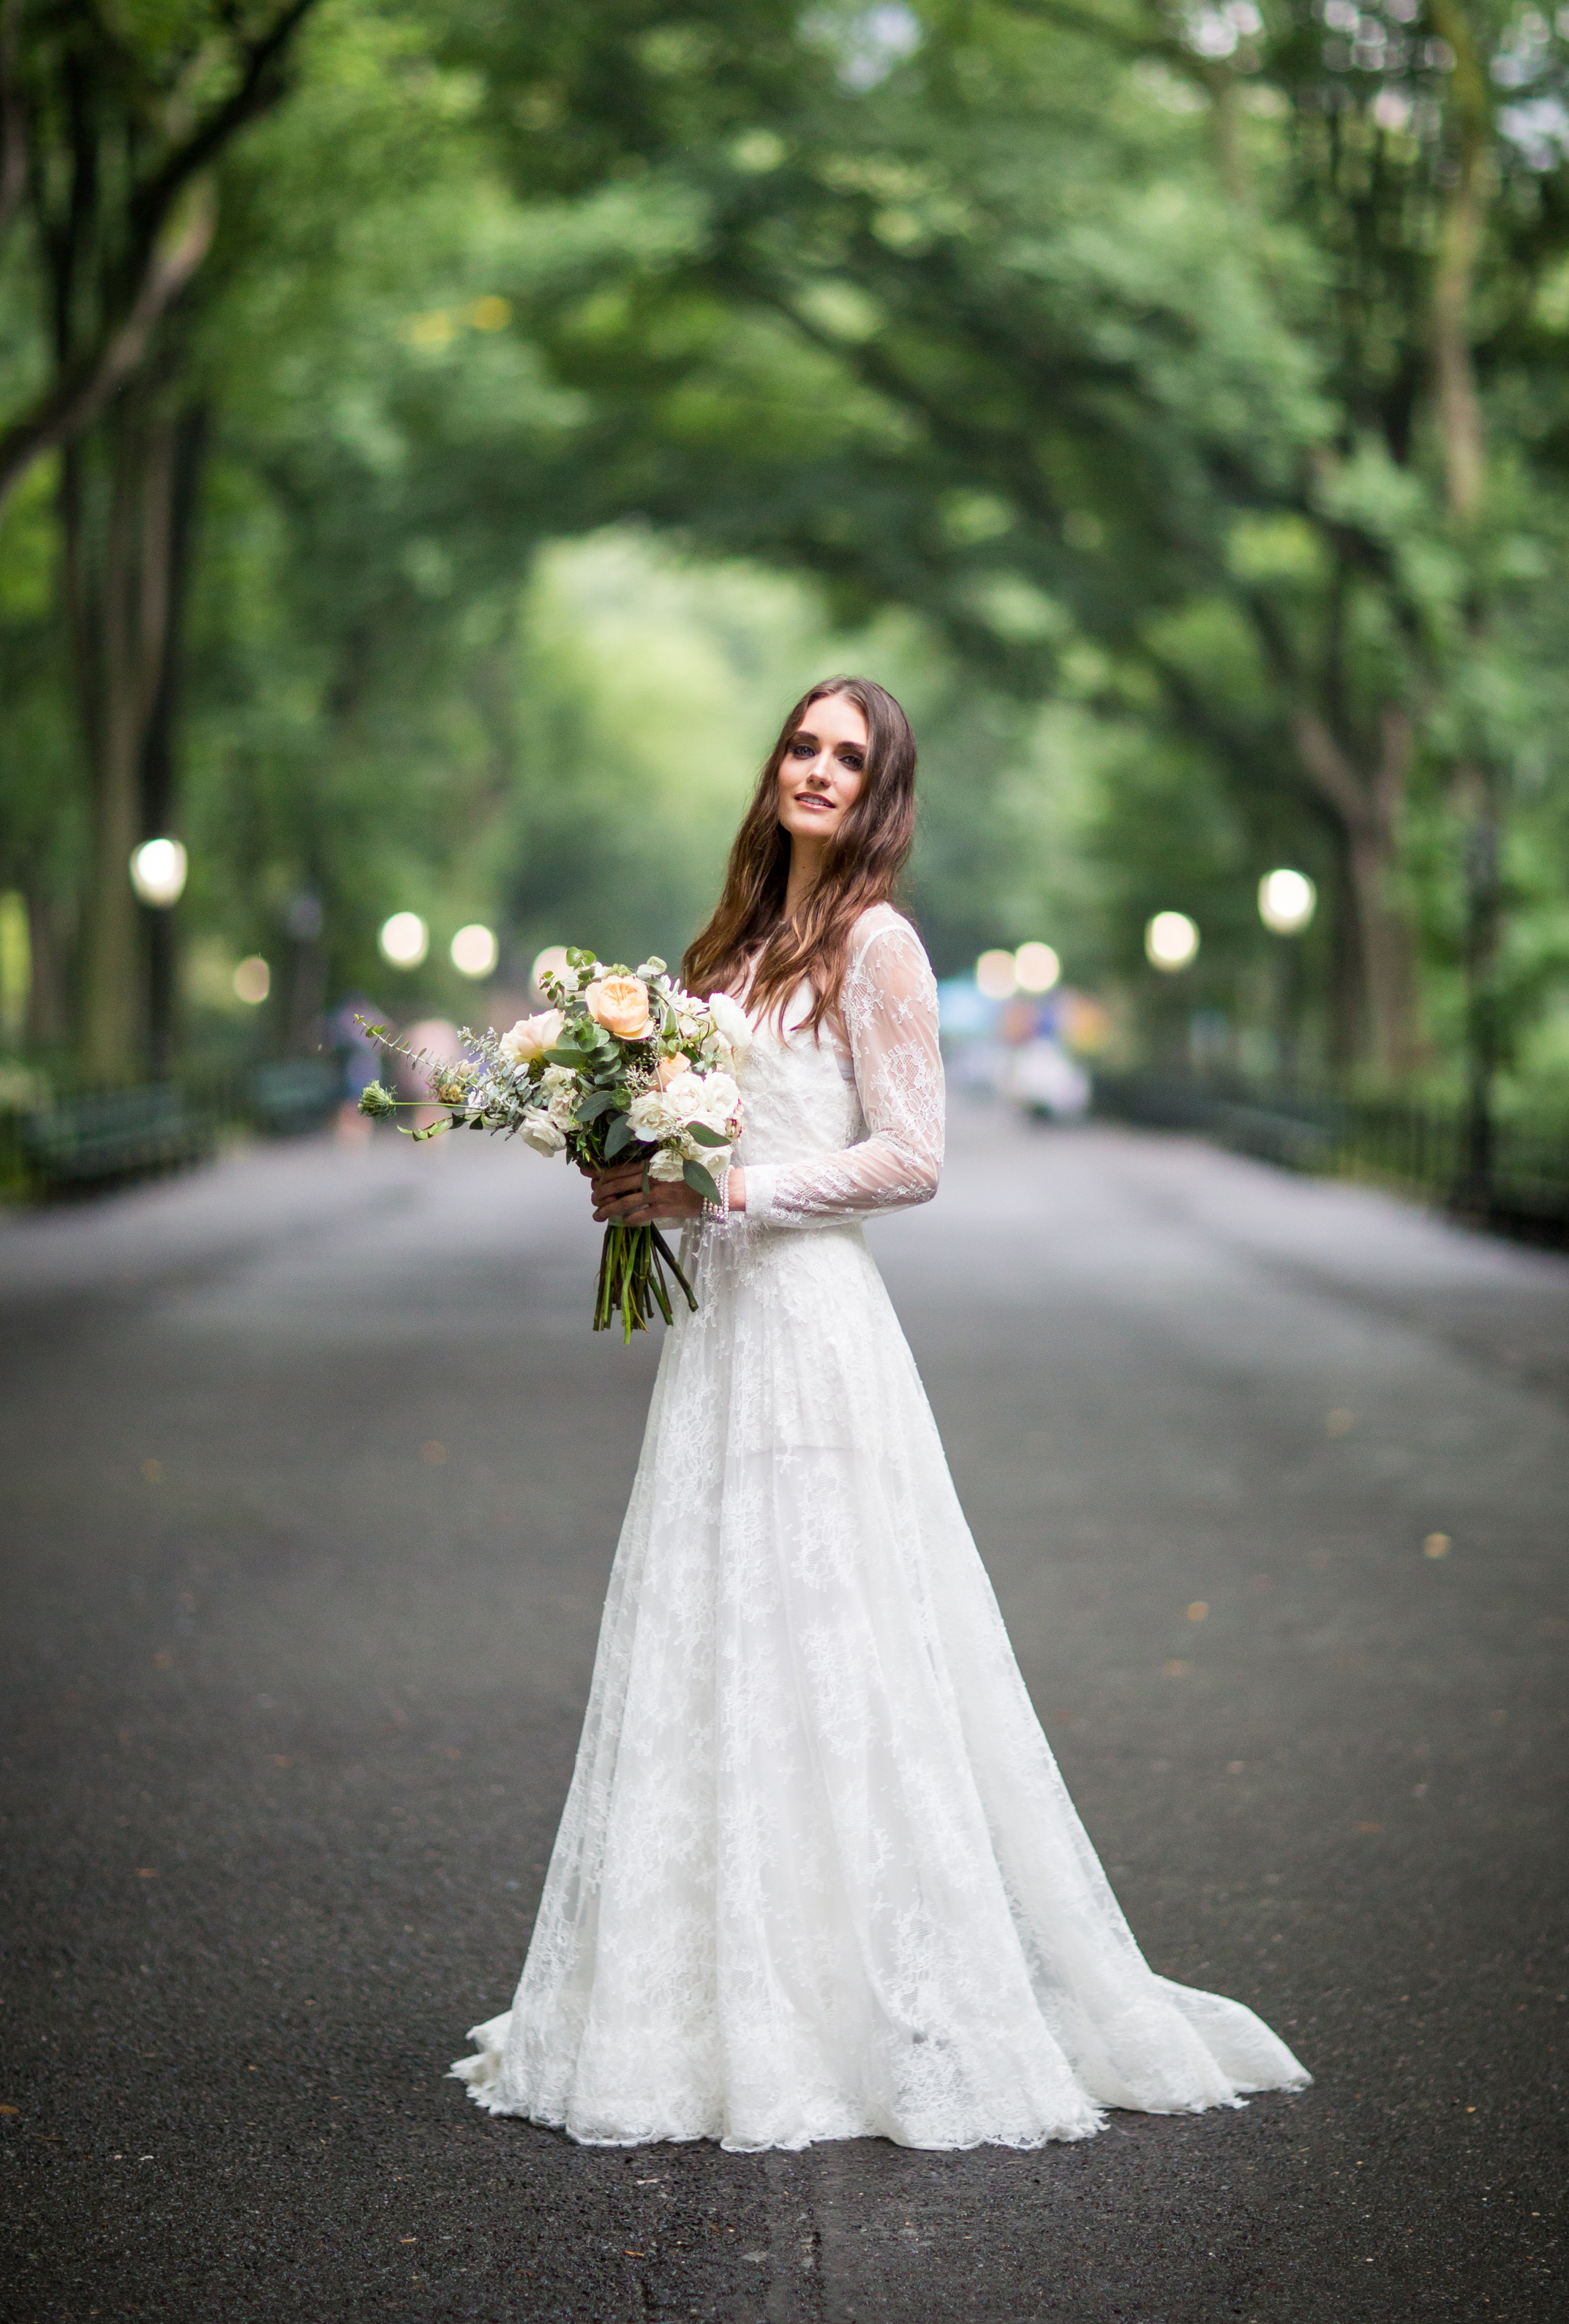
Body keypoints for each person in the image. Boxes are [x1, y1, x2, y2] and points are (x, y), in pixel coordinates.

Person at [451, 679, 1307, 2151]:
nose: (822, 770)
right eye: (804, 744)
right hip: (714, 1341)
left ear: (882, 792)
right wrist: (628, 1169)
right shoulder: (726, 948)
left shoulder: (878, 943)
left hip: (815, 1333)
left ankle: (867, 2003)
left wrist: (723, 1188)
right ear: (774, 764)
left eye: (854, 757)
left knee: (831, 1648)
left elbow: (912, 1158)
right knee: (716, 1640)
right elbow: (689, 1128)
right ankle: (710, 1988)